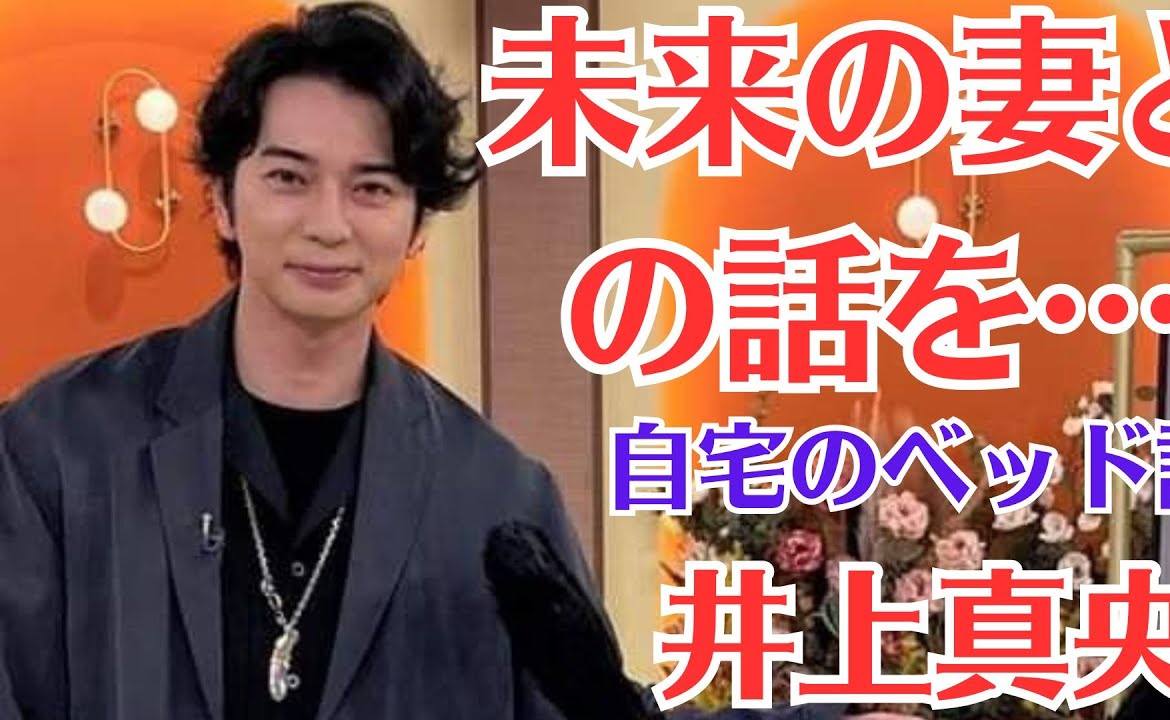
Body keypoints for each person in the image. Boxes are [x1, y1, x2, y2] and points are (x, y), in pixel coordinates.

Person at [0, 4, 844, 720]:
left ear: (416, 228)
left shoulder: (498, 498)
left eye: (372, 188)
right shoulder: (58, 450)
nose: (328, 224)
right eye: (289, 178)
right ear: (223, 198)